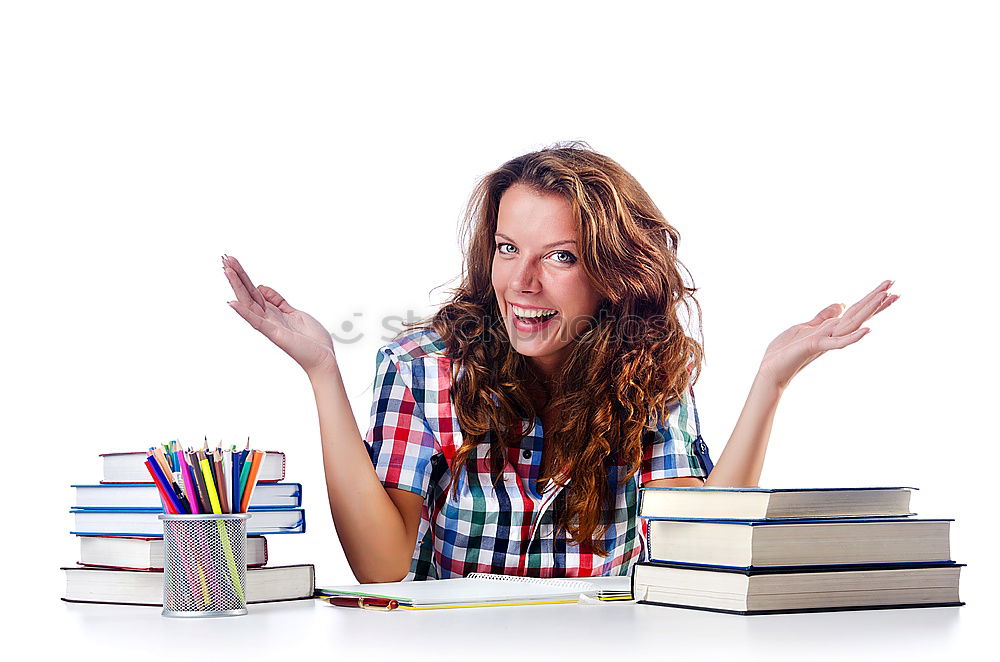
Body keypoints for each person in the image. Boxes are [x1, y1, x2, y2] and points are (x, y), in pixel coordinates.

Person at [222, 142, 898, 583]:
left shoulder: (646, 369)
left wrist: (770, 382)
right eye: (509, 249)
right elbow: (383, 568)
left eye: (561, 257)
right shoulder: (422, 368)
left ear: (612, 274)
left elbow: (700, 551)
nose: (522, 284)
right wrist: (320, 372)